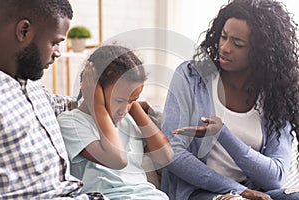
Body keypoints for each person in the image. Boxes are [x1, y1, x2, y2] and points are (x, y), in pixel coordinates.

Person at [160, 0, 299, 199]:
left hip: (257, 192)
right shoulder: (191, 76)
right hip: (202, 192)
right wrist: (238, 190)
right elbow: (170, 151)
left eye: (238, 44)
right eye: (223, 37)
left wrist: (223, 133)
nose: (225, 48)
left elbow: (275, 177)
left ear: (262, 52)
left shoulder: (276, 95)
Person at [0, 0, 92, 199]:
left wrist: (100, 97)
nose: (58, 52)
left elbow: (59, 103)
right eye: (55, 42)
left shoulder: (29, 85)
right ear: (24, 31)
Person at [57, 45, 174, 200]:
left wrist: (135, 107)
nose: (124, 110)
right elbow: (117, 160)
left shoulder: (128, 120)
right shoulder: (71, 123)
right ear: (93, 88)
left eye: (132, 101)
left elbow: (165, 156)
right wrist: (97, 106)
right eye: (119, 100)